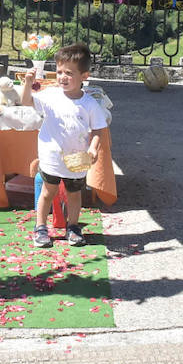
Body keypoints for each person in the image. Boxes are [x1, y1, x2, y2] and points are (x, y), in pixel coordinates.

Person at [19, 42, 109, 248]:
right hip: (51, 156)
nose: (62, 77)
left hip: (78, 157)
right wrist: (27, 83)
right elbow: (26, 102)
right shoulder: (50, 95)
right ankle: (40, 227)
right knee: (48, 192)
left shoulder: (90, 104)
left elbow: (98, 129)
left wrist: (93, 147)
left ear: (84, 76)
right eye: (59, 71)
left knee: (74, 194)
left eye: (69, 73)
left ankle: (74, 226)